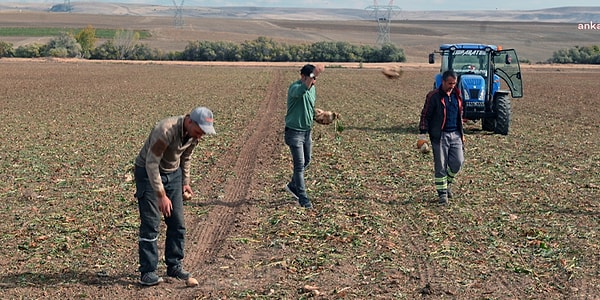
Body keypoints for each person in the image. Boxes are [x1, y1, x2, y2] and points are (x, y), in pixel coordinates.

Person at [134, 106, 216, 286]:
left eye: (203, 133)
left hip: (173, 173)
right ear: (189, 121)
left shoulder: (194, 135)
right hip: (148, 174)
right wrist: (161, 195)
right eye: (199, 131)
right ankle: (148, 271)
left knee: (177, 223)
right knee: (151, 223)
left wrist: (185, 182)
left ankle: (174, 265)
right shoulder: (165, 130)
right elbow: (151, 163)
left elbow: (185, 158)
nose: (200, 136)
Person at [418, 70, 465, 205]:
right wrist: (423, 134)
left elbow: (459, 115)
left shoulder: (457, 95)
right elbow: (425, 115)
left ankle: (447, 184)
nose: (452, 86)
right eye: (449, 83)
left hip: (455, 134)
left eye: (454, 83)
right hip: (440, 136)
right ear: (443, 82)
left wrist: (462, 134)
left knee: (458, 163)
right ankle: (442, 195)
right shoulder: (433, 96)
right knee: (441, 166)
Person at [283, 64, 323, 209]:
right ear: (303, 77)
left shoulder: (312, 89)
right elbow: (301, 91)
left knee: (307, 161)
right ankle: (303, 198)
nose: (314, 81)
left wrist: (320, 116)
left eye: (316, 78)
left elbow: (309, 108)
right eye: (312, 77)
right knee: (299, 166)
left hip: (307, 132)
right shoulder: (295, 87)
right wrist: (311, 77)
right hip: (294, 132)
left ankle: (293, 185)